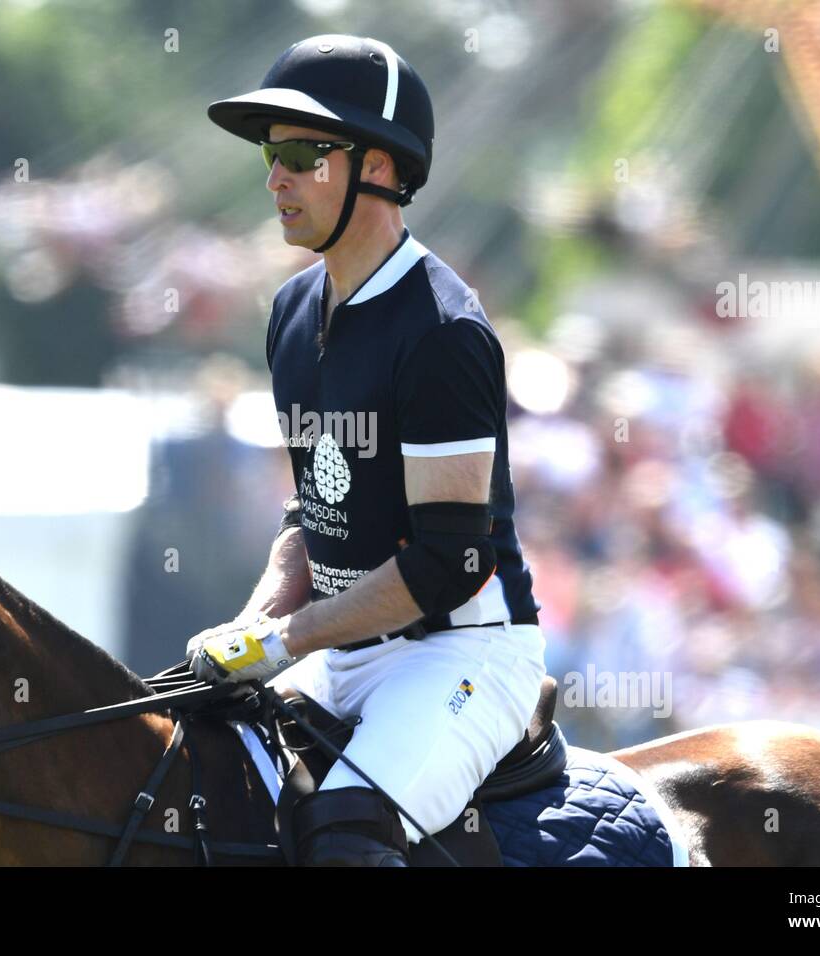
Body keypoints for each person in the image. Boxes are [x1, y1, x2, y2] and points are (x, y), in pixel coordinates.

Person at [188, 34, 546, 866]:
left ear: (381, 168)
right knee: (190, 768)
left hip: (462, 653)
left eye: (304, 152)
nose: (275, 176)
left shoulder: (443, 332)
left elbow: (448, 564)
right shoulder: (289, 309)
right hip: (341, 649)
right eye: (272, 155)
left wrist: (284, 641)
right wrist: (255, 619)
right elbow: (312, 509)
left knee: (346, 841)